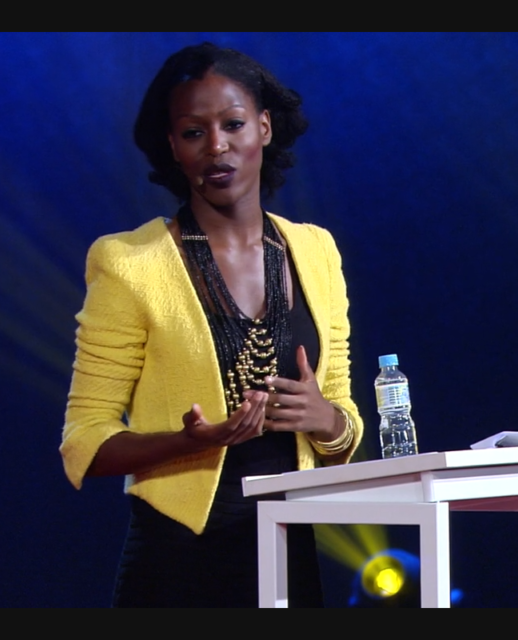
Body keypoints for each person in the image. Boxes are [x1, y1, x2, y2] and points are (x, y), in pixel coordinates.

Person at [59, 42, 363, 608]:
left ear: (264, 128)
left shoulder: (316, 251)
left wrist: (326, 420)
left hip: (288, 557)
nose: (217, 146)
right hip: (179, 563)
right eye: (194, 132)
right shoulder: (129, 262)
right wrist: (189, 442)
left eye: (233, 124)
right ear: (173, 146)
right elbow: (85, 441)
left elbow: (341, 425)